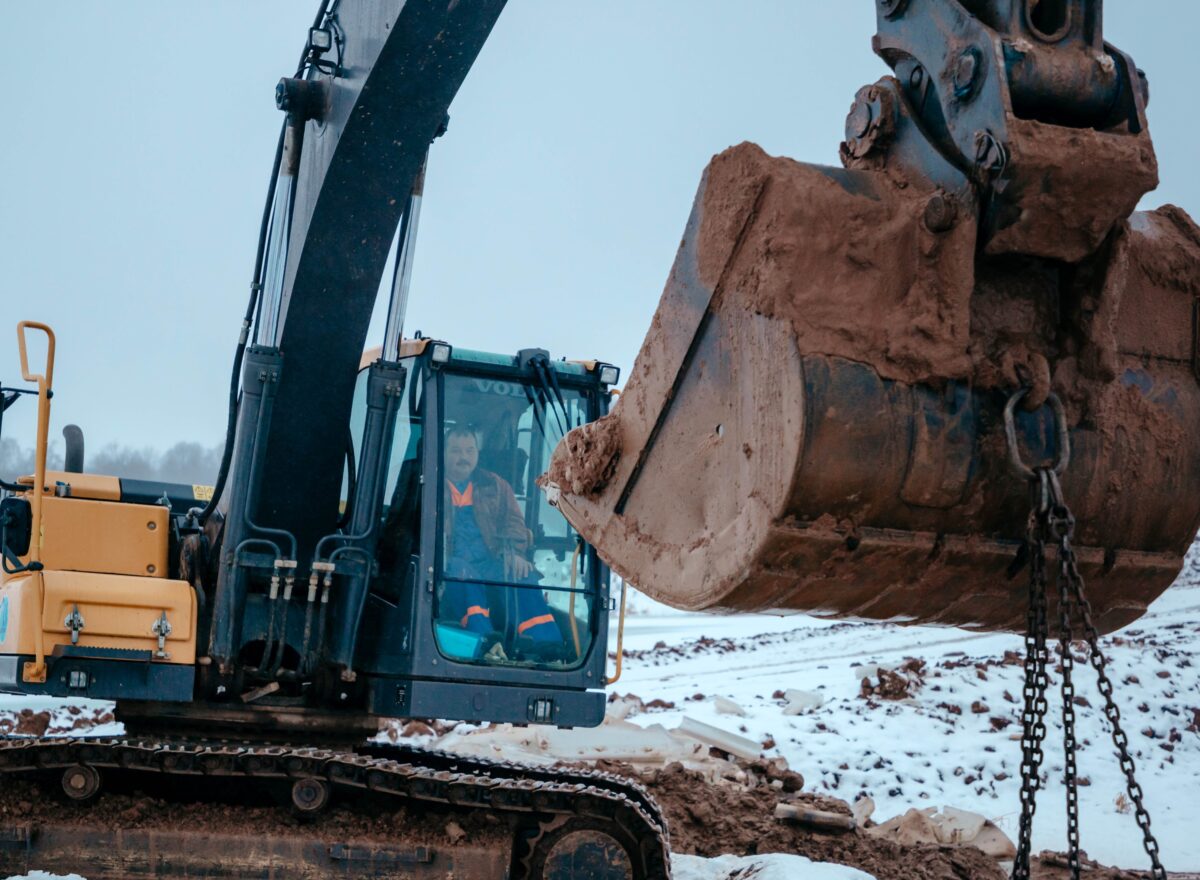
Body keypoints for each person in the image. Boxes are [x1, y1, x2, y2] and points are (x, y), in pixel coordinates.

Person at [441, 426, 562, 653]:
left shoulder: (495, 485)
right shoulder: (431, 485)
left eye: (469, 450)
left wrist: (515, 554)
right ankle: (487, 644)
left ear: (477, 453)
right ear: (444, 453)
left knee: (524, 576)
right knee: (465, 575)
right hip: (448, 563)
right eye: (456, 451)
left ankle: (546, 648)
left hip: (490, 561)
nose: (463, 457)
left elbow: (514, 524)